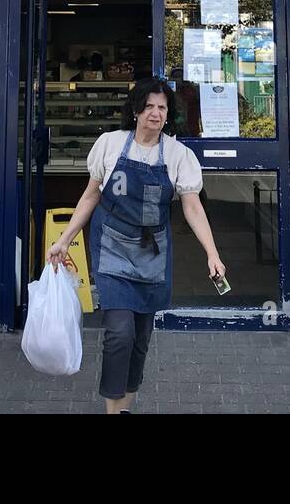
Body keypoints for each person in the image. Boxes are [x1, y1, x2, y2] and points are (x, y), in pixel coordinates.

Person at [47, 78, 225, 413]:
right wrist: (64, 240)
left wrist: (212, 253)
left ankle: (126, 404)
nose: (155, 114)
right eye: (149, 106)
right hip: (112, 244)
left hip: (152, 251)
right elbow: (91, 196)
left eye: (162, 107)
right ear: (135, 110)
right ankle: (114, 411)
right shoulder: (109, 144)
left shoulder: (178, 155)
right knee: (119, 334)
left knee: (140, 339)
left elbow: (192, 206)